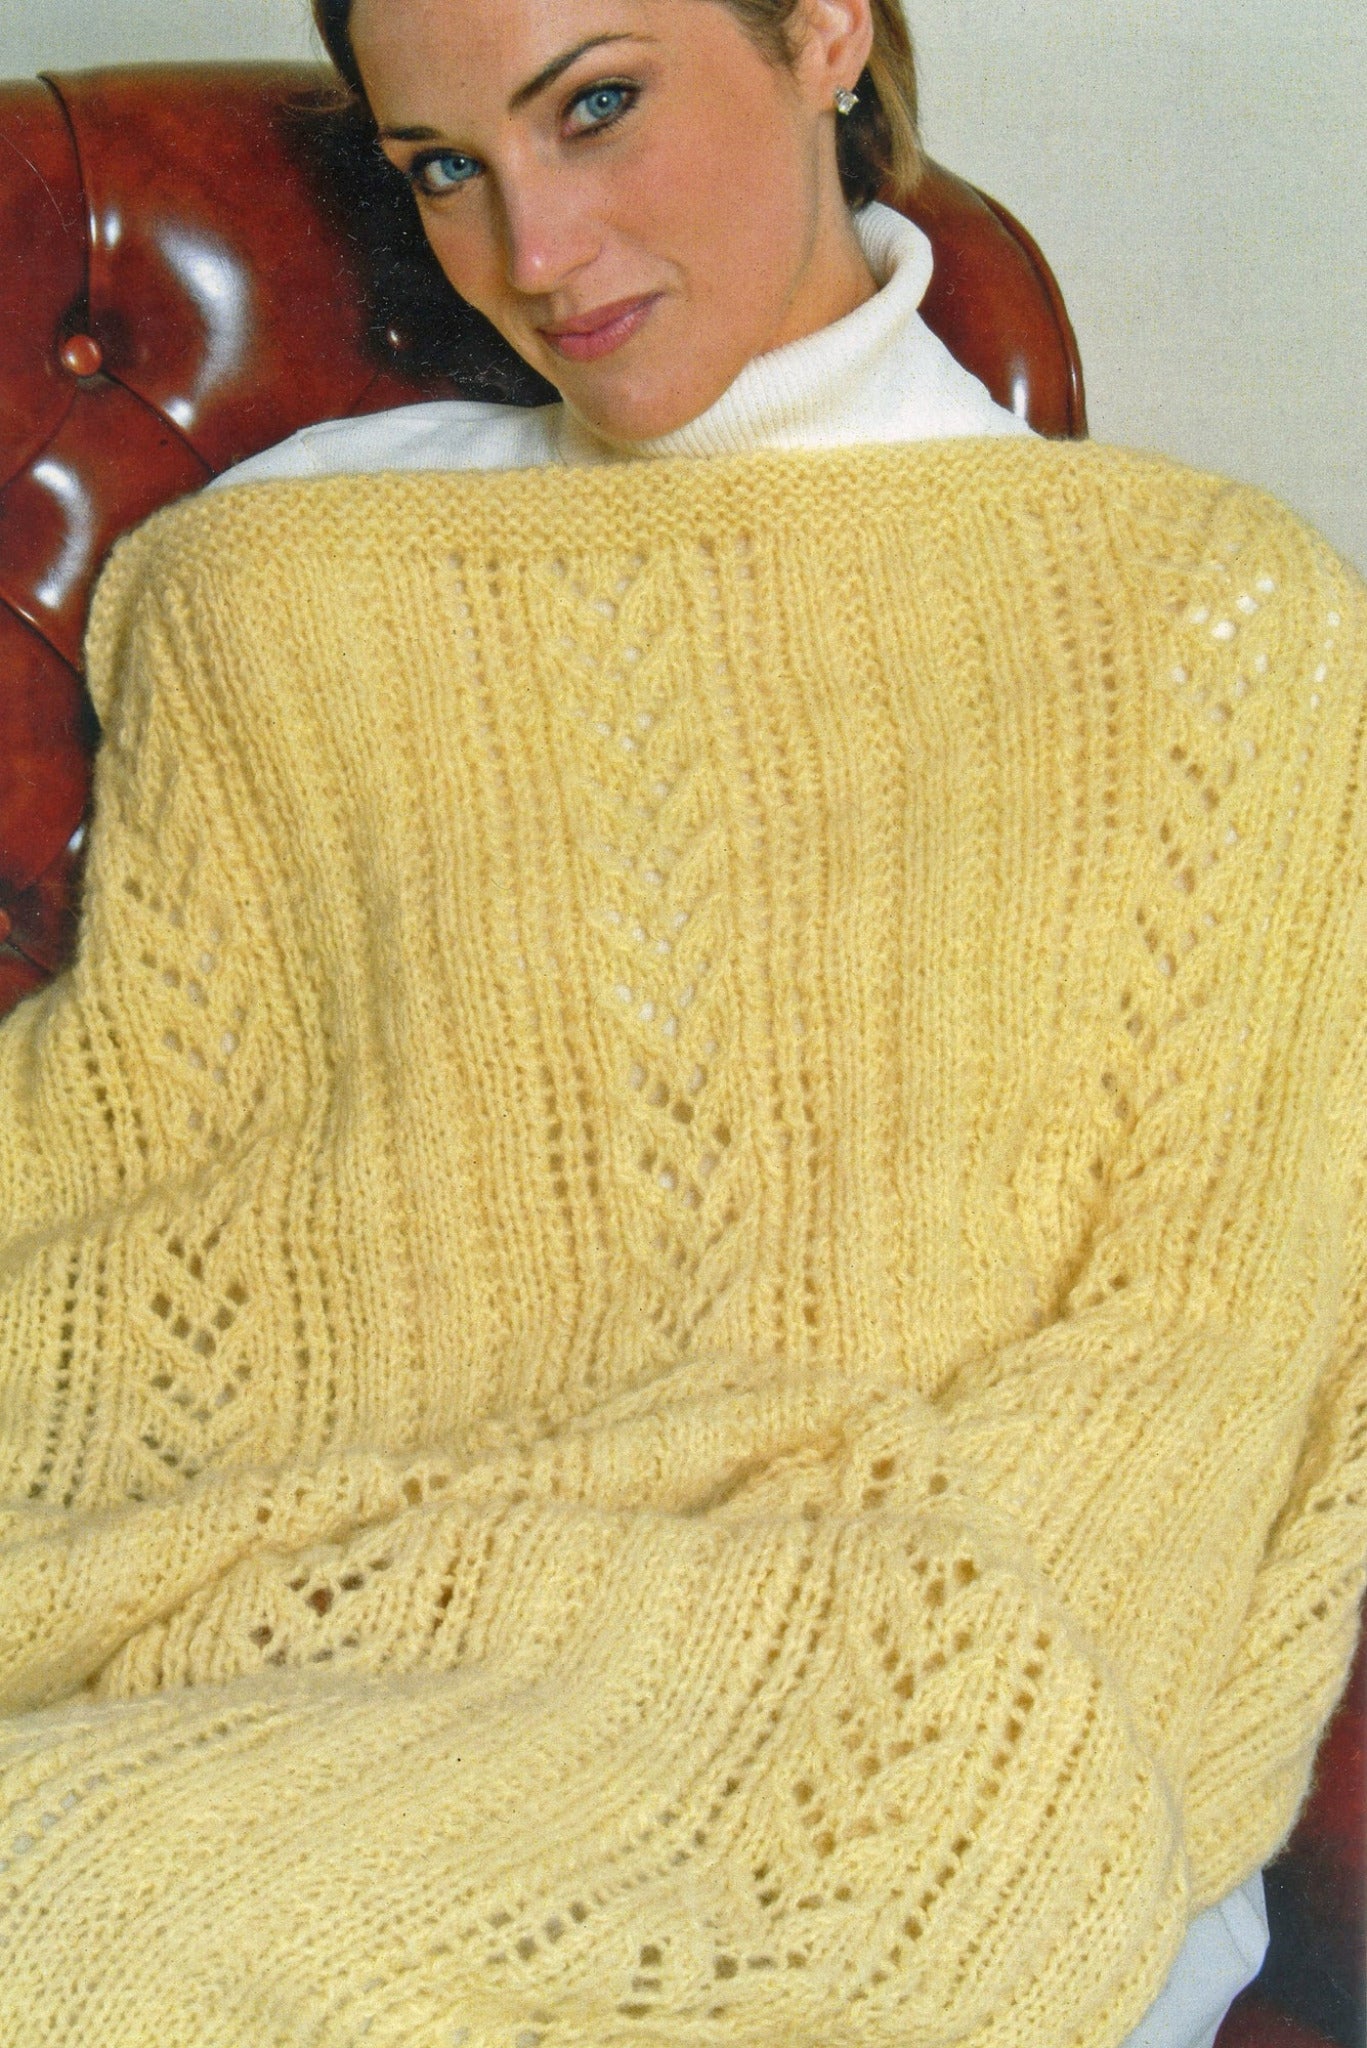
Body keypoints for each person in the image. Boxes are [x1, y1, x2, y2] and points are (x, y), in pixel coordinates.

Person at [0, 4, 1359, 2046]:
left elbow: (1213, 1320)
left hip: (935, 1662)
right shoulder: (281, 578)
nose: (535, 252)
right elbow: (157, 1159)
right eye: (445, 168)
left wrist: (902, 1680)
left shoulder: (1212, 613)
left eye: (598, 108)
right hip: (291, 1659)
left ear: (825, 34)